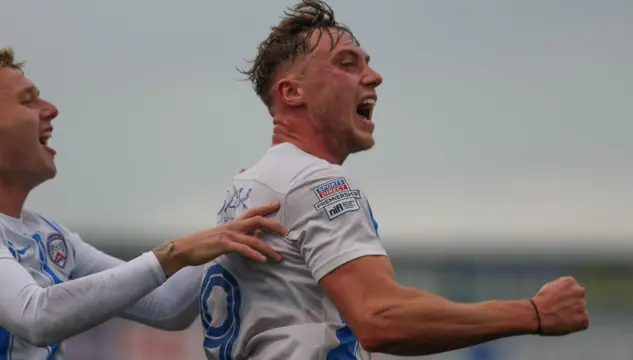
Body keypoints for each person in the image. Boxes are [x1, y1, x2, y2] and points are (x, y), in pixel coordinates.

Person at [201, 1, 590, 359]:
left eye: (366, 63)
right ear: (292, 92)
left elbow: (164, 307)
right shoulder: (316, 181)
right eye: (348, 63)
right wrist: (534, 314)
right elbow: (380, 317)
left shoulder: (247, 188)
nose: (375, 76)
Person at [0, 47, 288, 360]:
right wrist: (176, 251)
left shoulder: (50, 236)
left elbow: (167, 306)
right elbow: (37, 317)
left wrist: (234, 226)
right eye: (28, 101)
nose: (52, 109)